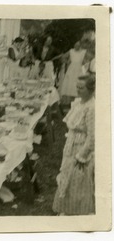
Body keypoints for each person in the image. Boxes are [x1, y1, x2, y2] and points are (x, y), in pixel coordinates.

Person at [52, 75, 95, 215]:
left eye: (81, 88)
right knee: (66, 177)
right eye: (77, 87)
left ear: (91, 89)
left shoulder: (92, 108)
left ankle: (78, 212)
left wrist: (81, 156)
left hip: (81, 149)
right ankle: (66, 209)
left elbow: (92, 137)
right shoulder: (78, 103)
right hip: (71, 145)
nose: (78, 90)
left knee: (77, 181)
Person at [59, 41, 87, 105]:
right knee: (70, 85)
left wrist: (84, 65)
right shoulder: (71, 51)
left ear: (80, 46)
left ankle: (77, 102)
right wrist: (67, 62)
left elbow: (86, 61)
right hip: (71, 70)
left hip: (79, 70)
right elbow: (63, 57)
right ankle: (69, 103)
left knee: (77, 85)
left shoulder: (83, 52)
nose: (76, 46)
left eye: (78, 45)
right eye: (75, 45)